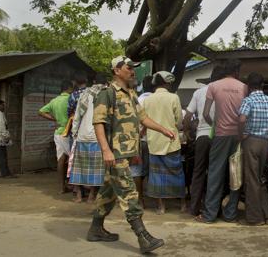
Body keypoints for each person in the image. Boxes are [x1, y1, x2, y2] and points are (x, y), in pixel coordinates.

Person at [87, 56, 175, 254]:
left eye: (133, 68)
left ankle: (95, 229)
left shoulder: (131, 94)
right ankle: (143, 237)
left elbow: (142, 118)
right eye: (129, 68)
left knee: (107, 194)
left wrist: (163, 129)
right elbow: (98, 123)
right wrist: (106, 150)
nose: (133, 71)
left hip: (125, 153)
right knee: (129, 194)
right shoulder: (107, 93)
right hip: (115, 154)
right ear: (117, 71)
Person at [196, 59, 247, 224]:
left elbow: (205, 114)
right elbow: (245, 115)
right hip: (238, 136)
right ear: (237, 71)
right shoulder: (244, 87)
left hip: (220, 135)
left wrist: (215, 126)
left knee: (215, 174)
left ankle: (210, 214)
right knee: (235, 174)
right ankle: (230, 213)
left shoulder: (213, 86)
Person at [142, 71, 185, 215]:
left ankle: (161, 206)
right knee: (176, 172)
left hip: (154, 142)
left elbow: (144, 120)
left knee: (156, 175)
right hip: (171, 140)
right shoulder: (174, 97)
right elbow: (178, 121)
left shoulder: (148, 100)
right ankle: (182, 203)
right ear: (168, 83)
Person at [184, 66, 222, 217]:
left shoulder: (198, 92)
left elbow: (187, 116)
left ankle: (194, 208)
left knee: (198, 172)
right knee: (215, 173)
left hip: (201, 137)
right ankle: (212, 208)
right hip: (218, 137)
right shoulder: (222, 91)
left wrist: (187, 133)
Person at [239, 72, 268, 226]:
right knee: (260, 178)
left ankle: (254, 218)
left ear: (248, 86)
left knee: (251, 180)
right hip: (265, 142)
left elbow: (242, 119)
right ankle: (267, 215)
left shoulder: (248, 100)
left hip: (251, 141)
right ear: (262, 85)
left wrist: (242, 134)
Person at [69, 73, 108, 203]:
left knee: (79, 167)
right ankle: (92, 194)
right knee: (96, 169)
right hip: (99, 136)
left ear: (94, 81)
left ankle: (79, 194)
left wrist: (75, 133)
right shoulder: (106, 94)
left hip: (82, 135)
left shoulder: (84, 94)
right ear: (106, 83)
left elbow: (77, 116)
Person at [39, 80, 73, 194]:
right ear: (69, 88)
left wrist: (54, 119)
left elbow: (41, 111)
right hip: (69, 132)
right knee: (73, 159)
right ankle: (74, 187)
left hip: (58, 132)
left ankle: (61, 187)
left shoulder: (54, 101)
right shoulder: (71, 99)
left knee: (61, 159)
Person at [134, 75, 154, 207]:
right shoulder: (156, 99)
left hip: (140, 139)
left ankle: (140, 199)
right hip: (154, 140)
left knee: (138, 170)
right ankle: (153, 196)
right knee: (152, 169)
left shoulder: (138, 100)